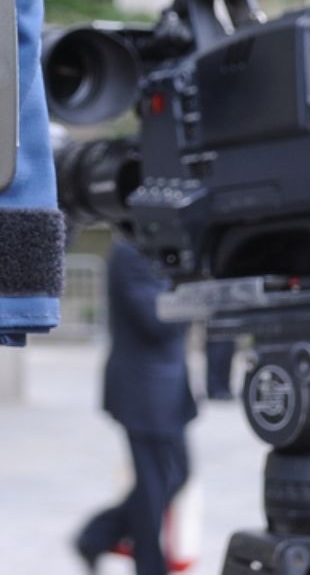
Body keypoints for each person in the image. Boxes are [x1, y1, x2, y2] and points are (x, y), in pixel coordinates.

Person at [75, 237, 197, 575]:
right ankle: (148, 565)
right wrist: (197, 296)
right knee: (154, 486)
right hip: (143, 390)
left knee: (175, 475)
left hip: (168, 388)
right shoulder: (130, 251)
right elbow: (157, 318)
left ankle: (97, 534)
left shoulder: (160, 249)